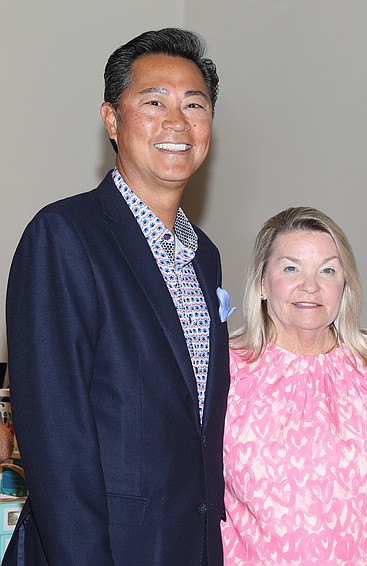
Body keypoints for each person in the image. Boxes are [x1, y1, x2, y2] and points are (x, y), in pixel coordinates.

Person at [4, 28, 230, 565]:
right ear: (111, 119)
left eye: (194, 105)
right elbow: (56, 440)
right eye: (154, 102)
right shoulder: (63, 236)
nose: (177, 122)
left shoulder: (206, 257)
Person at [221, 207, 367, 565]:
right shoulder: (223, 372)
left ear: (344, 285)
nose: (310, 285)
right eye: (291, 268)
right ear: (262, 282)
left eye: (328, 270)